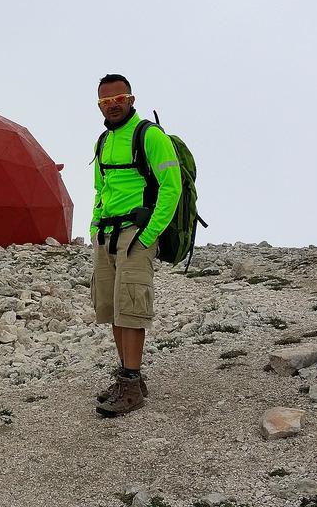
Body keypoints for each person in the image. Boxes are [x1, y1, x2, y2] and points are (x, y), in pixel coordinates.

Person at [90, 74, 182, 417]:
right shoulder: (102, 140)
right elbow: (100, 189)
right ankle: (129, 377)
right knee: (113, 309)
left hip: (136, 234)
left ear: (131, 98)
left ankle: (130, 384)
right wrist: (94, 227)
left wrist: (148, 235)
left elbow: (171, 188)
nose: (112, 105)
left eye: (119, 98)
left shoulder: (150, 136)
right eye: (104, 101)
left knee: (131, 309)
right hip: (106, 236)